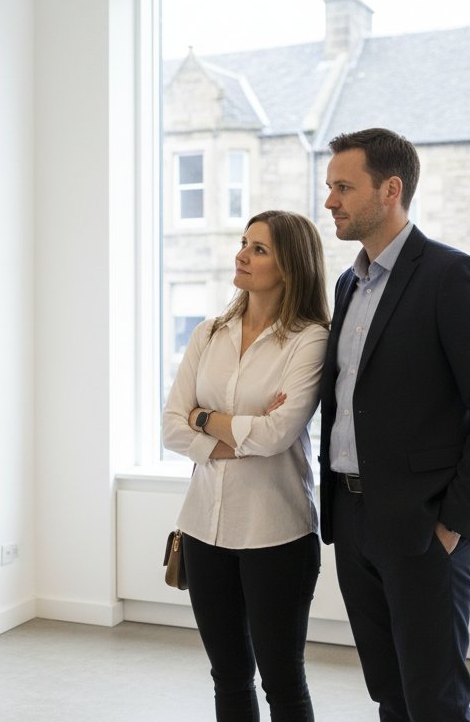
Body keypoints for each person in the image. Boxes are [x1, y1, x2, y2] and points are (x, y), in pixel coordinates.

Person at [318, 127, 470, 721]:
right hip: (352, 520)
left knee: (435, 702)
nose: (330, 201)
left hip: (423, 527)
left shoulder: (452, 276)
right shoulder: (348, 284)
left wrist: (454, 525)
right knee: (389, 692)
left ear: (391, 190)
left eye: (343, 187)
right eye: (329, 187)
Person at [163, 209, 330, 722]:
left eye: (259, 249)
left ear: (291, 265)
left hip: (276, 533)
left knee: (282, 681)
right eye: (243, 243)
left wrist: (204, 418)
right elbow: (171, 427)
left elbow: (278, 433)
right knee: (228, 677)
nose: (242, 255)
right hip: (203, 529)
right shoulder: (209, 334)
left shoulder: (310, 339)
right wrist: (241, 432)